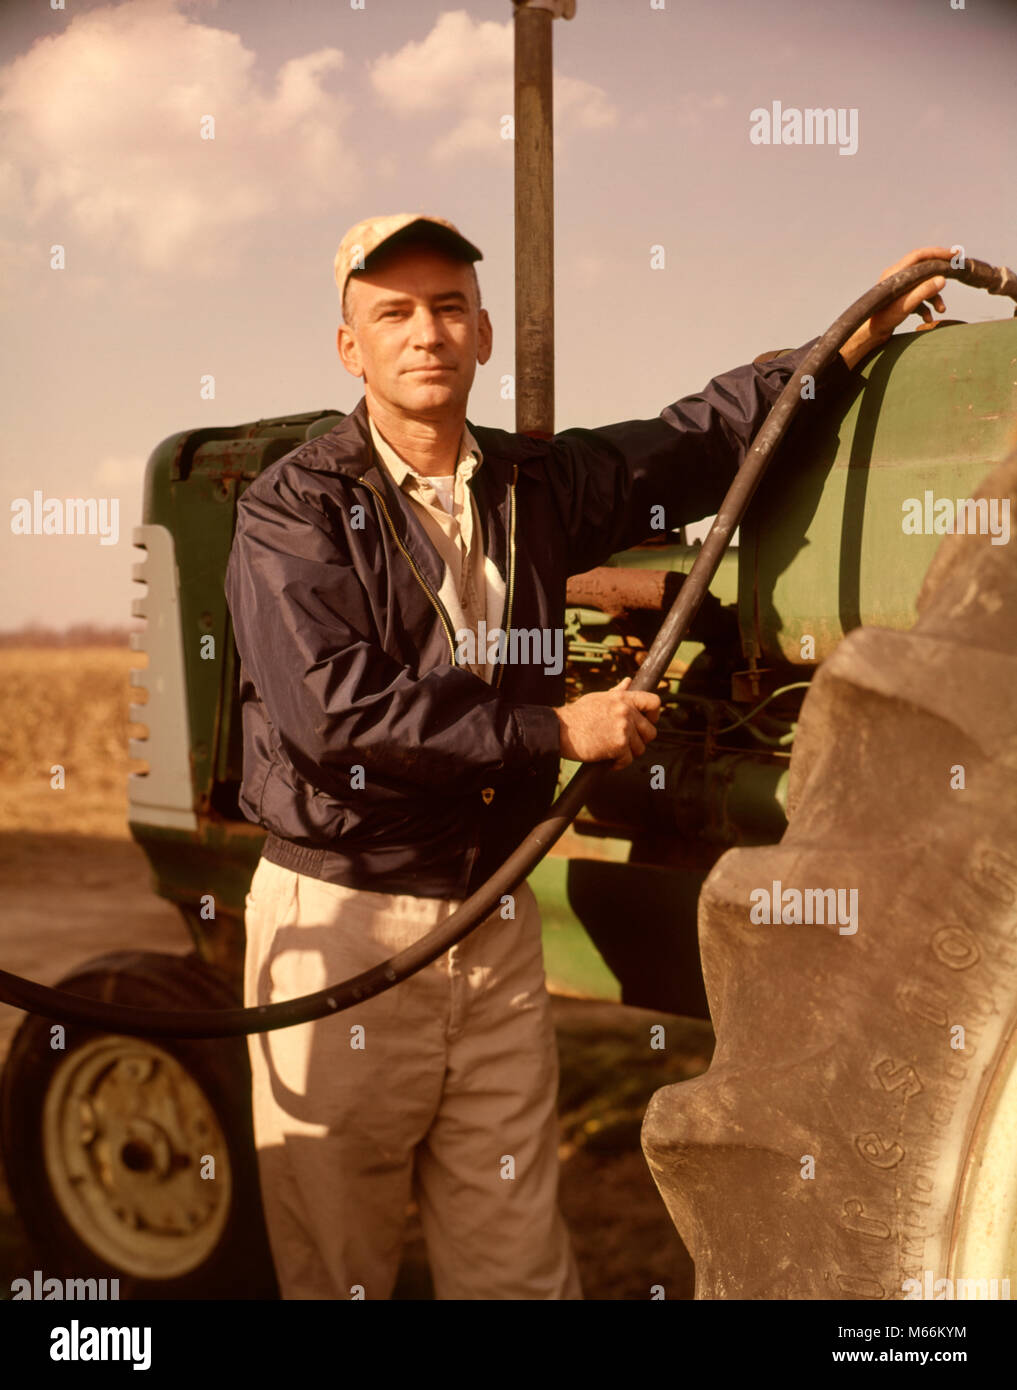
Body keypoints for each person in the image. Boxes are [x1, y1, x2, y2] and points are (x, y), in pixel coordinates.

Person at [224, 216, 950, 1300]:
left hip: (496, 906)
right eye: (393, 312)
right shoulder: (295, 508)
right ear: (350, 348)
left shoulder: (532, 484)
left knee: (516, 1262)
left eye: (448, 307)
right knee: (340, 1265)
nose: (426, 332)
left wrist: (844, 342)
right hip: (347, 922)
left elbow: (702, 442)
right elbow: (337, 717)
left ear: (480, 334)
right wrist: (553, 731)